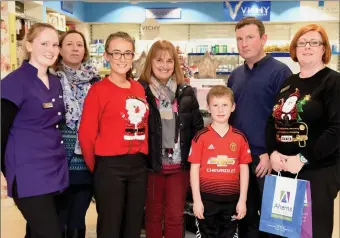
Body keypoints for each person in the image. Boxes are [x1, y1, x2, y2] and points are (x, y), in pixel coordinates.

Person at [266, 24, 340, 238]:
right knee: (282, 232)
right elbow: (272, 121)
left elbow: (336, 130)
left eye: (314, 42)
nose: (307, 46)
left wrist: (303, 158)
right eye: (302, 42)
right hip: (284, 170)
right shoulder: (288, 83)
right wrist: (273, 153)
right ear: (295, 49)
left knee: (312, 232)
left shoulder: (333, 82)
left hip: (317, 171)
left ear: (324, 49)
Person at [1, 23, 69, 238]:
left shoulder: (55, 82)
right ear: (29, 45)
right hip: (27, 172)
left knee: (40, 232)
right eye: (44, 43)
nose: (51, 49)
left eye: (55, 44)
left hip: (55, 168)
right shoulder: (14, 82)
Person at [78, 31, 149, 238]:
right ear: (106, 56)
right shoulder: (98, 90)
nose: (122, 59)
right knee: (110, 226)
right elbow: (86, 135)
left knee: (133, 225)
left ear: (133, 56)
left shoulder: (138, 88)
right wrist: (98, 168)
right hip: (109, 166)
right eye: (116, 53)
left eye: (127, 53)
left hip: (138, 166)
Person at [227, 17, 292, 238]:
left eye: (250, 37)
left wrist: (271, 152)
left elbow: (285, 121)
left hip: (268, 160)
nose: (244, 44)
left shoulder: (280, 73)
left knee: (273, 222)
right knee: (245, 218)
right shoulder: (235, 76)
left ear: (264, 39)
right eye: (239, 39)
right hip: (240, 159)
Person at [139, 40, 203, 238]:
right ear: (150, 62)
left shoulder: (185, 92)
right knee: (153, 216)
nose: (164, 65)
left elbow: (197, 129)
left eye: (169, 61)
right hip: (152, 167)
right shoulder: (141, 91)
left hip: (179, 167)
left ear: (175, 64)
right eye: (159, 60)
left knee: (176, 217)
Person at [189, 85, 252, 238]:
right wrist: (196, 201)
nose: (220, 110)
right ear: (208, 108)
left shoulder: (240, 138)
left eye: (225, 105)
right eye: (215, 105)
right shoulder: (201, 137)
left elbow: (244, 170)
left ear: (233, 107)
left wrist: (242, 200)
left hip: (231, 201)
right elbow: (194, 169)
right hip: (206, 201)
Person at [55, 29, 100, 238]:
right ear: (60, 50)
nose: (75, 48)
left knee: (78, 215)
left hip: (86, 159)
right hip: (56, 159)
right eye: (69, 44)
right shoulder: (50, 79)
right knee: (57, 215)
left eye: (79, 45)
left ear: (85, 51)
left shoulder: (96, 81)